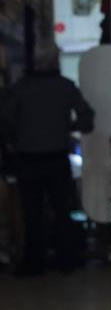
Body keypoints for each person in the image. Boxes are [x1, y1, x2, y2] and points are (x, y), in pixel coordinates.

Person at [0, 43, 94, 275]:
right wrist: (68, 127)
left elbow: (6, 122)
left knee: (32, 213)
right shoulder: (65, 86)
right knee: (62, 210)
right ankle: (67, 260)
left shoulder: (20, 88)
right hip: (57, 158)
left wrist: (17, 139)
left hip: (27, 160)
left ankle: (35, 263)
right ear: (54, 62)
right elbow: (87, 117)